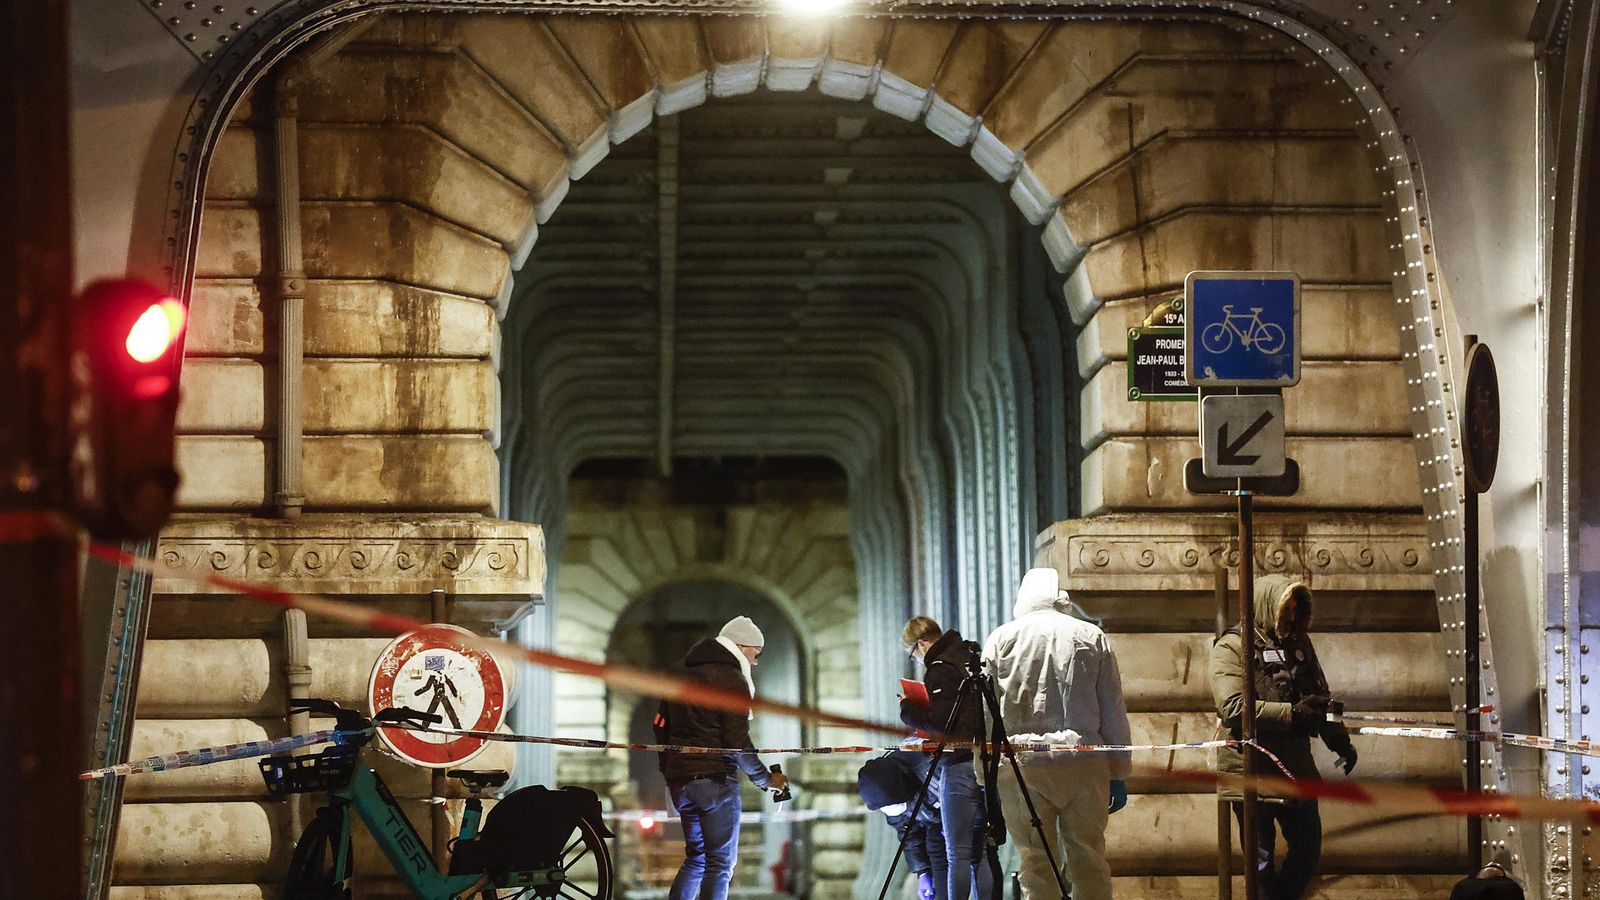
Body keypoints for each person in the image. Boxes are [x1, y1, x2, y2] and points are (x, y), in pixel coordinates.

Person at [981, 567, 1131, 900]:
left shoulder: (1001, 639)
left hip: (1022, 765)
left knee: (1036, 862)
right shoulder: (1091, 636)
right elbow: (1112, 707)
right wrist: (1119, 770)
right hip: (1084, 761)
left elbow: (987, 712)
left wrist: (984, 776)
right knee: (1088, 857)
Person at [1210, 574, 1357, 900]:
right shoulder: (1233, 646)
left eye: (1294, 609)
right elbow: (1232, 707)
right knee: (1259, 865)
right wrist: (1292, 714)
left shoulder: (1300, 644)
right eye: (1284, 609)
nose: (1290, 616)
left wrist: (1339, 739)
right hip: (1251, 771)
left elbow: (1322, 697)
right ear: (1266, 607)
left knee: (1308, 850)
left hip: (1296, 768)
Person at [657, 616, 790, 900]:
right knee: (720, 864)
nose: (756, 662)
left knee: (696, 859)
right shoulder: (732, 679)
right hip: (715, 783)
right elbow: (736, 742)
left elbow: (660, 725)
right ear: (741, 647)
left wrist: (670, 771)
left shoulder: (678, 674)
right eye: (756, 653)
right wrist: (765, 779)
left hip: (681, 782)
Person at [901, 616, 987, 900]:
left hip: (958, 763)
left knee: (958, 853)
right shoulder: (969, 655)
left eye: (913, 654)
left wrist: (908, 710)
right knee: (983, 850)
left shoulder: (938, 669)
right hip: (987, 760)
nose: (916, 659)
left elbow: (942, 723)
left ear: (922, 644)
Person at [859, 751, 948, 900]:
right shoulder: (884, 795)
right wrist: (922, 871)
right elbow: (908, 832)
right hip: (936, 827)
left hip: (965, 817)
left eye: (898, 804)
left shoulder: (928, 767)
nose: (895, 810)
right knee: (935, 847)